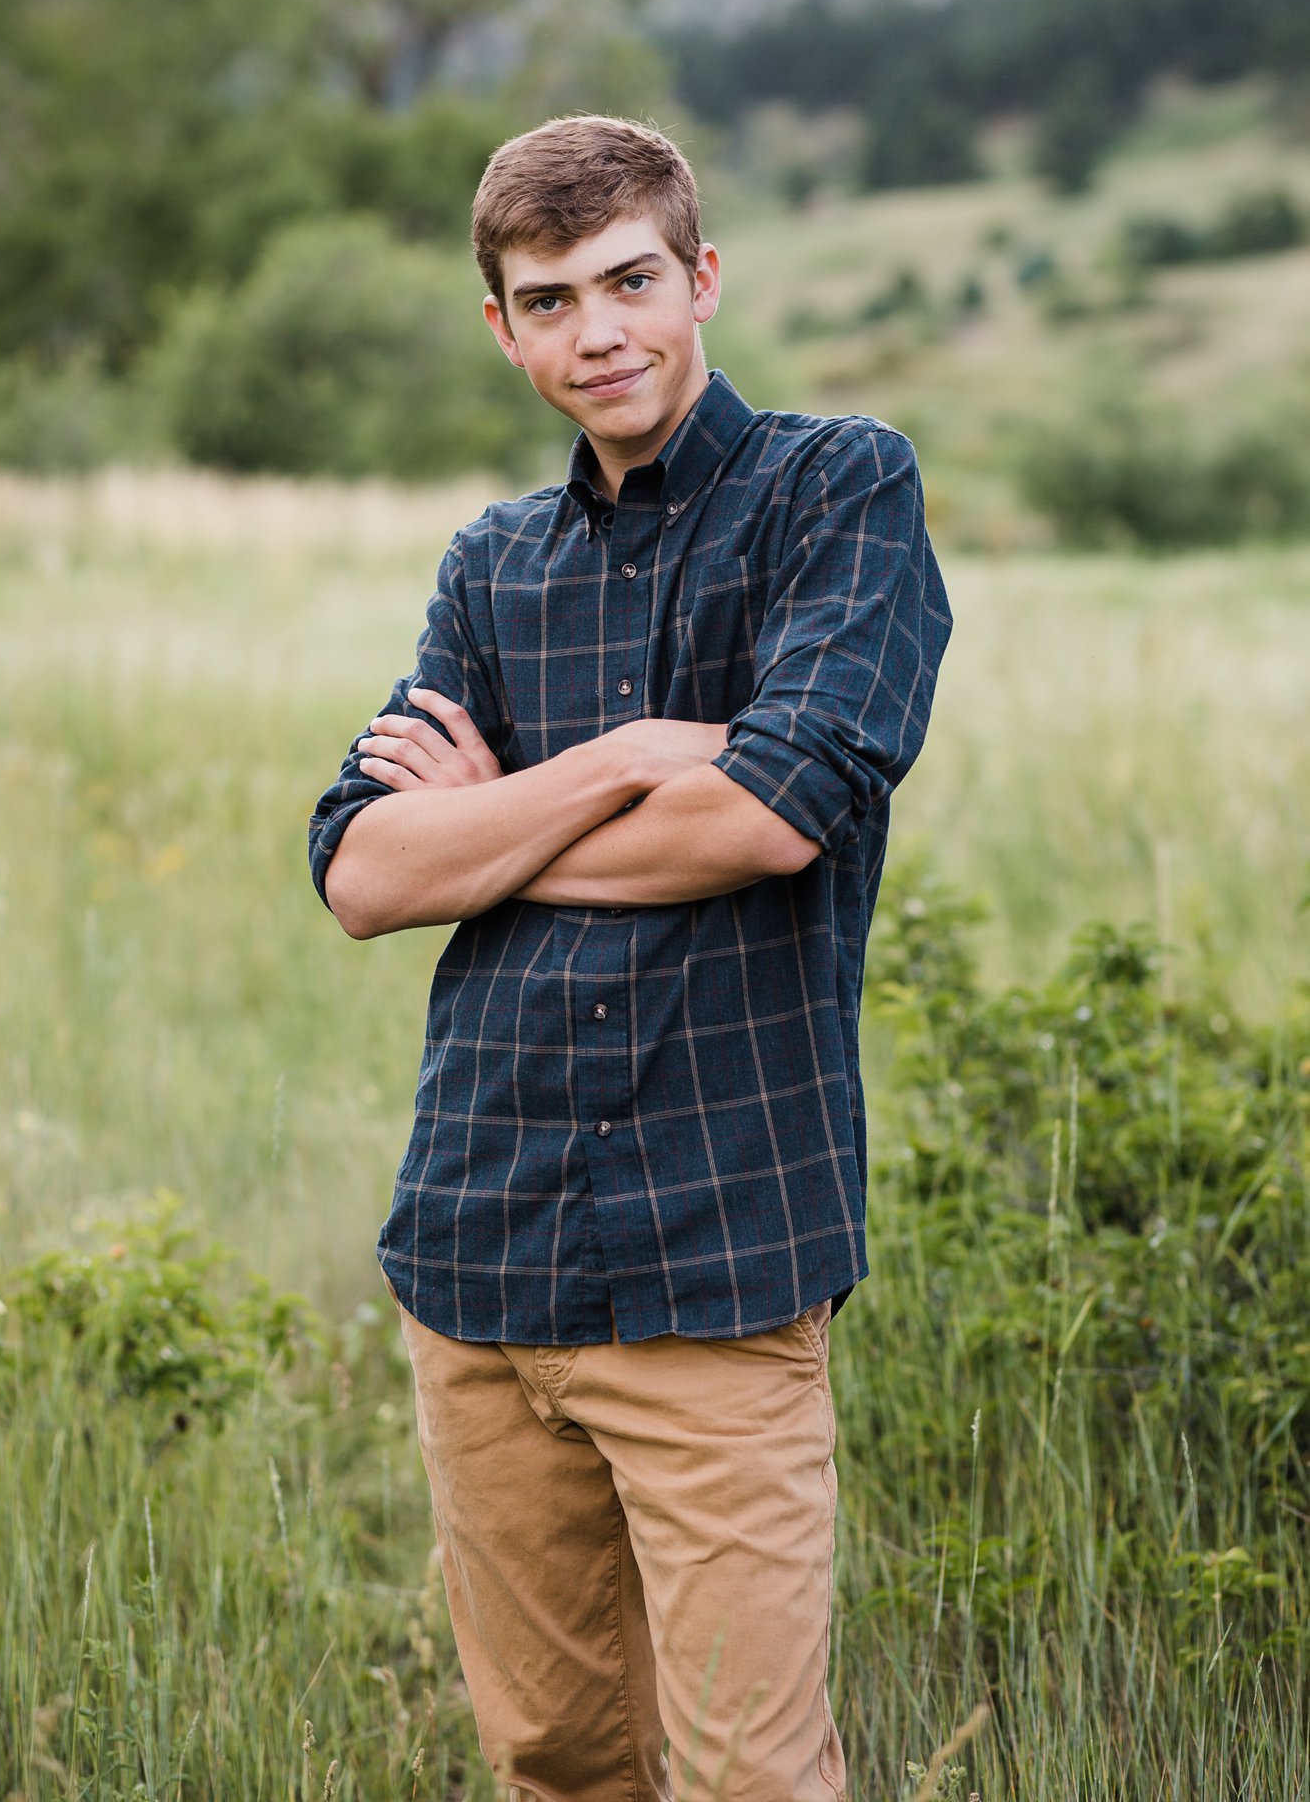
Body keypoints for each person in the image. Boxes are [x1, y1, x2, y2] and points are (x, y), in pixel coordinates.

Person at [308, 114, 951, 1800]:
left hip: (717, 1260)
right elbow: (367, 873)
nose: (597, 331)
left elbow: (767, 817)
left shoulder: (838, 488)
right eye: (548, 300)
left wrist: (497, 838)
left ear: (700, 277)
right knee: (554, 1760)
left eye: (630, 282)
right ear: (502, 329)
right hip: (479, 1246)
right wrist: (617, 760)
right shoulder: (490, 565)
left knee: (749, 1774)